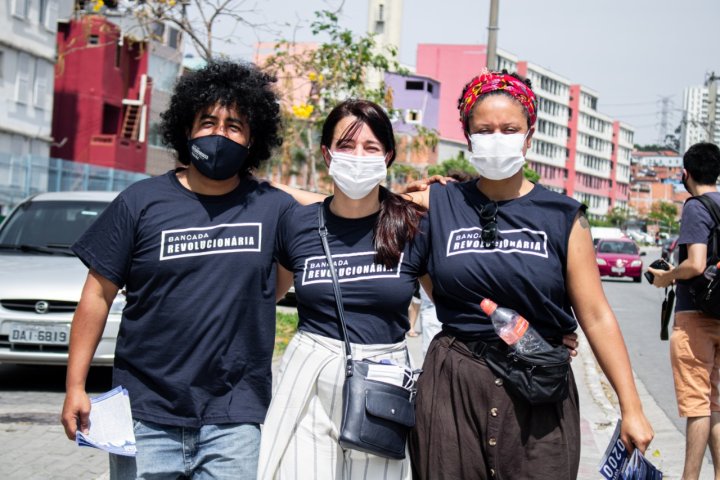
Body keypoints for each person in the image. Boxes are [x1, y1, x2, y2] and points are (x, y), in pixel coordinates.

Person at [405, 71, 654, 479]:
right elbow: (365, 211)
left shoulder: (563, 216)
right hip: (454, 390)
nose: (497, 137)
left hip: (540, 390)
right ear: (467, 136)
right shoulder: (439, 203)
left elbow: (595, 314)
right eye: (484, 129)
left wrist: (632, 408)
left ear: (529, 135)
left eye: (509, 128)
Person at [60, 61, 297, 479]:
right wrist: (75, 386)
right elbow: (97, 296)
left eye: (234, 126)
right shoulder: (139, 203)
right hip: (145, 414)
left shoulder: (273, 209)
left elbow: (275, 287)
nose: (219, 134)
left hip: (234, 419)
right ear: (186, 130)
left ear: (252, 139)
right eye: (208, 121)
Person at [257, 99, 428, 479]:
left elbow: (457, 301)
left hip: (382, 390)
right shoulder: (297, 225)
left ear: (387, 156)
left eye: (370, 147)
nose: (358, 156)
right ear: (326, 154)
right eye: (346, 146)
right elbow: (263, 299)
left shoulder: (413, 227)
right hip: (308, 382)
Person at [649, 142, 720, 480]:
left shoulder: (695, 207)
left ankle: (689, 478)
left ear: (685, 174)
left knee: (697, 404)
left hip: (696, 315)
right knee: (716, 403)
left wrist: (666, 277)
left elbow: (695, 264)